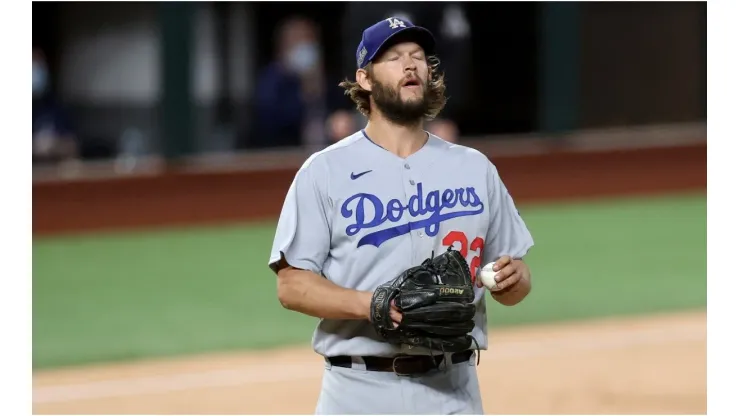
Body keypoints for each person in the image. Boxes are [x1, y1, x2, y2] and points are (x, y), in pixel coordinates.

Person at [268, 17, 534, 415]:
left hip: (455, 391)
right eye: (393, 58)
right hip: (360, 393)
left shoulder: (474, 168)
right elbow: (291, 286)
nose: (410, 64)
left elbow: (517, 277)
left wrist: (514, 280)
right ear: (366, 79)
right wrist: (370, 304)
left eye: (418, 56)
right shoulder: (324, 172)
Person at [249, 16, 328, 150]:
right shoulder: (271, 81)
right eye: (298, 40)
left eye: (309, 39)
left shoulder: (323, 78)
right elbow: (269, 123)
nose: (305, 46)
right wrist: (304, 94)